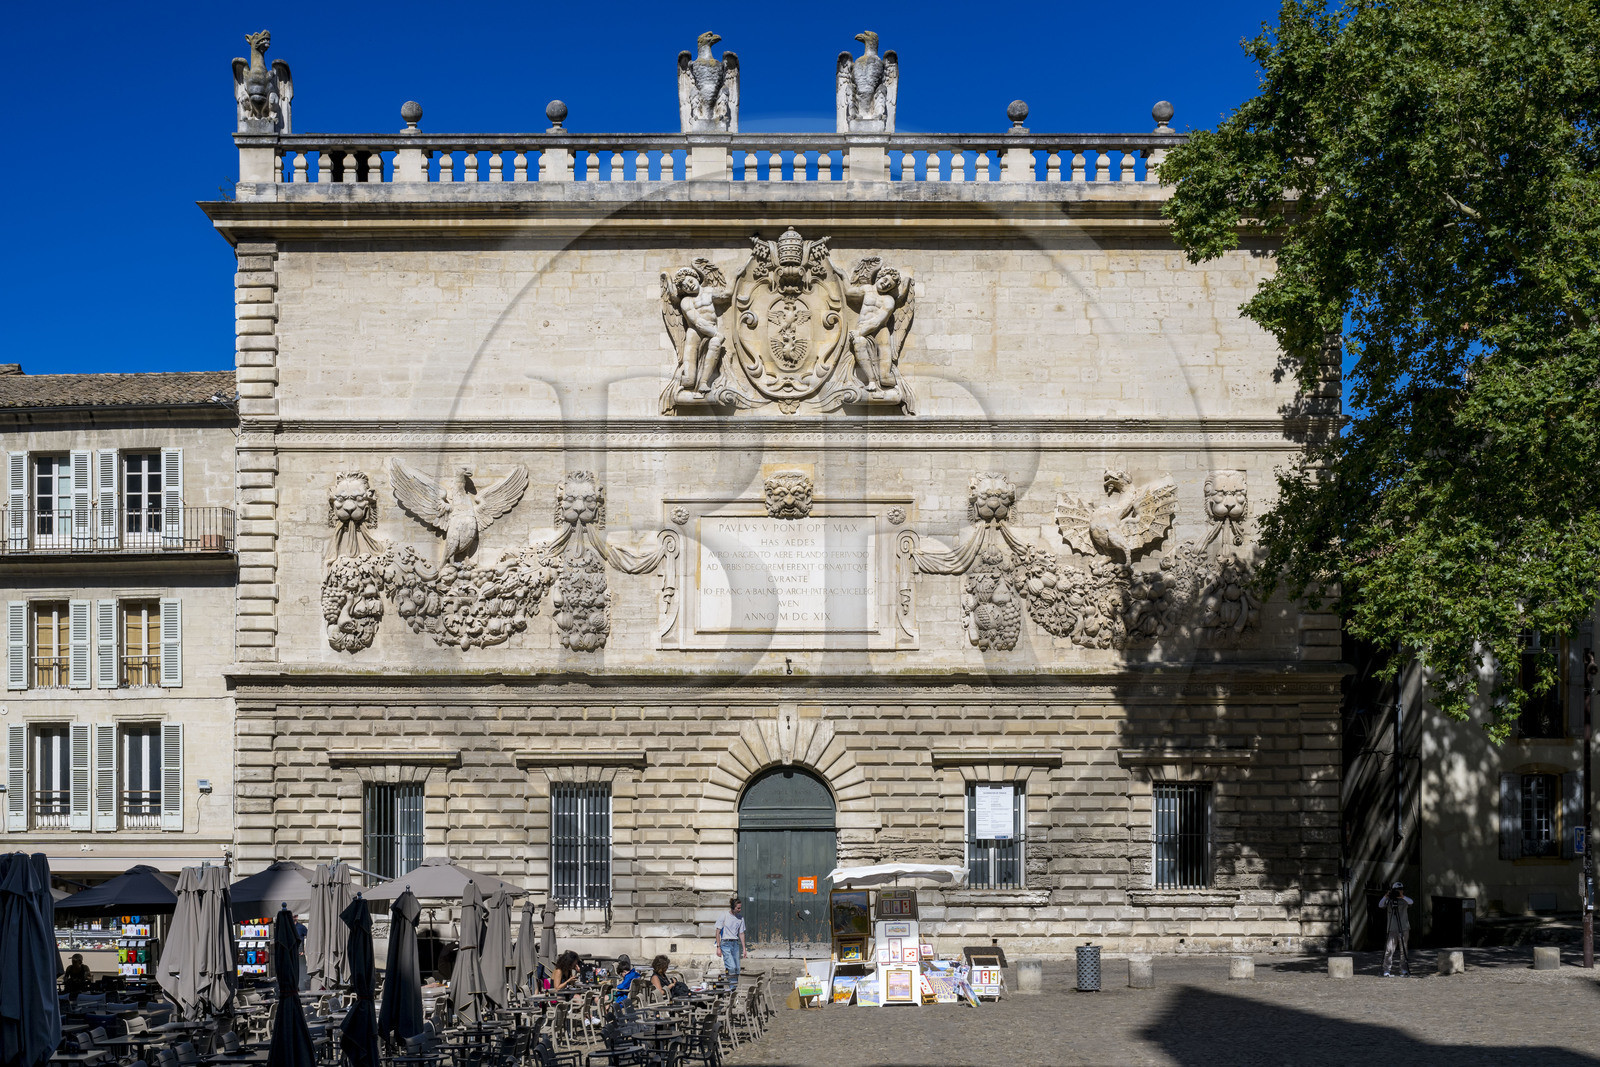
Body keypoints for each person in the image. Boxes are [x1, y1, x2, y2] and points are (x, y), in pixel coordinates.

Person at [1380, 880, 1414, 976]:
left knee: (1404, 950)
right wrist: (1386, 896)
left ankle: (1403, 970)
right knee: (1389, 950)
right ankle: (1386, 970)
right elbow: (1380, 905)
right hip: (1392, 928)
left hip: (1404, 928)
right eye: (1396, 890)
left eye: (1400, 890)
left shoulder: (1405, 900)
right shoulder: (1389, 900)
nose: (1399, 891)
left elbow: (1412, 902)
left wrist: (1402, 896)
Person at [713, 896, 747, 985]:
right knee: (731, 967)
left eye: (740, 908)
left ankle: (735, 986)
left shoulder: (740, 918)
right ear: (733, 907)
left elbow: (741, 933)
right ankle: (733, 990)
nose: (740, 910)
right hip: (725, 943)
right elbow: (717, 932)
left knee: (737, 968)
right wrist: (718, 947)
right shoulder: (724, 915)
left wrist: (744, 948)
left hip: (735, 944)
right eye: (738, 908)